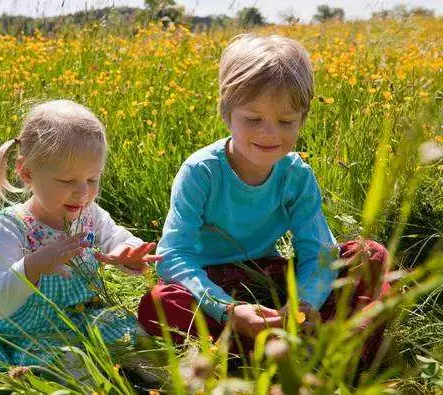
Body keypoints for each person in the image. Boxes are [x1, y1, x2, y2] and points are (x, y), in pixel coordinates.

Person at [137, 34, 390, 364]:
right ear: (226, 113)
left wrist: (306, 302)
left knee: (368, 254)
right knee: (160, 301)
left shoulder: (296, 174)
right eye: (253, 119)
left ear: (303, 119)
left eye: (286, 121)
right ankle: (258, 356)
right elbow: (173, 256)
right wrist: (229, 310)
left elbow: (319, 249)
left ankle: (330, 354)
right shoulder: (202, 172)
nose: (269, 134)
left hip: (268, 279)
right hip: (212, 282)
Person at [0, 99, 162, 373]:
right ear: (26, 172)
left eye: (92, 179)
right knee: (70, 368)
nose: (82, 193)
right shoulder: (14, 225)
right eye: (67, 181)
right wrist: (32, 266)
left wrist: (127, 254)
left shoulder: (89, 214)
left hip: (84, 315)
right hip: (33, 331)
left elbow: (117, 237)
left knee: (140, 345)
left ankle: (175, 384)